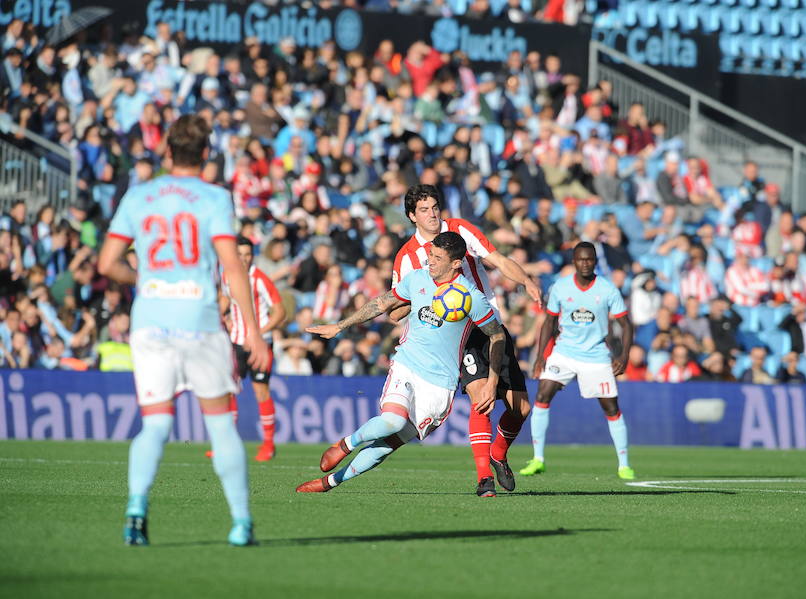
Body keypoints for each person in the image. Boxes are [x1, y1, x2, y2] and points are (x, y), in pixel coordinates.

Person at [97, 115, 269, 547]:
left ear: (166, 151)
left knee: (154, 424)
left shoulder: (139, 195)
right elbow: (232, 266)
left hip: (151, 319)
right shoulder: (214, 198)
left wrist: (145, 280)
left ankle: (136, 510)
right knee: (220, 425)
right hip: (199, 319)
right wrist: (253, 333)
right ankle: (241, 522)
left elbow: (106, 263)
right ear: (207, 154)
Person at [296, 232, 506, 495]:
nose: (430, 260)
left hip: (440, 384)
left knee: (388, 445)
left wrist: (492, 382)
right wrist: (340, 325)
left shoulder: (471, 297)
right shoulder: (417, 278)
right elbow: (382, 303)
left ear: (456, 263)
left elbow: (496, 335)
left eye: (437, 258)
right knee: (392, 421)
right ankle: (347, 444)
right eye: (430, 254)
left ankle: (331, 482)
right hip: (407, 363)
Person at [392, 184, 541, 496]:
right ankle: (484, 478)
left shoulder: (460, 230)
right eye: (424, 210)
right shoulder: (407, 257)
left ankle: (498, 454)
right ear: (411, 216)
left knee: (521, 408)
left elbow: (498, 259)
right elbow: (395, 311)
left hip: (491, 325)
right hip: (456, 333)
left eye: (435, 207)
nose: (432, 214)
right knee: (481, 399)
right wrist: (425, 298)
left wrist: (526, 280)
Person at [520, 242, 635, 480]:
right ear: (574, 261)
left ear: (594, 261)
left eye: (590, 259)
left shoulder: (607, 289)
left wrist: (623, 356)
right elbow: (549, 323)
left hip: (596, 356)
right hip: (565, 352)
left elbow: (625, 324)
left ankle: (624, 464)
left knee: (611, 408)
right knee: (542, 394)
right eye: (581, 259)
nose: (585, 263)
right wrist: (541, 358)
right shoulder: (560, 287)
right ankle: (538, 459)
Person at [220, 236, 286, 462]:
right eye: (240, 254)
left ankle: (268, 444)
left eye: (248, 255)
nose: (244, 259)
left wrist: (257, 332)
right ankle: (226, 443)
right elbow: (225, 300)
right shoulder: (227, 276)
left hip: (260, 344)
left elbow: (280, 312)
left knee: (261, 392)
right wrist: (223, 317)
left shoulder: (259, 279)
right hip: (236, 342)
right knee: (229, 390)